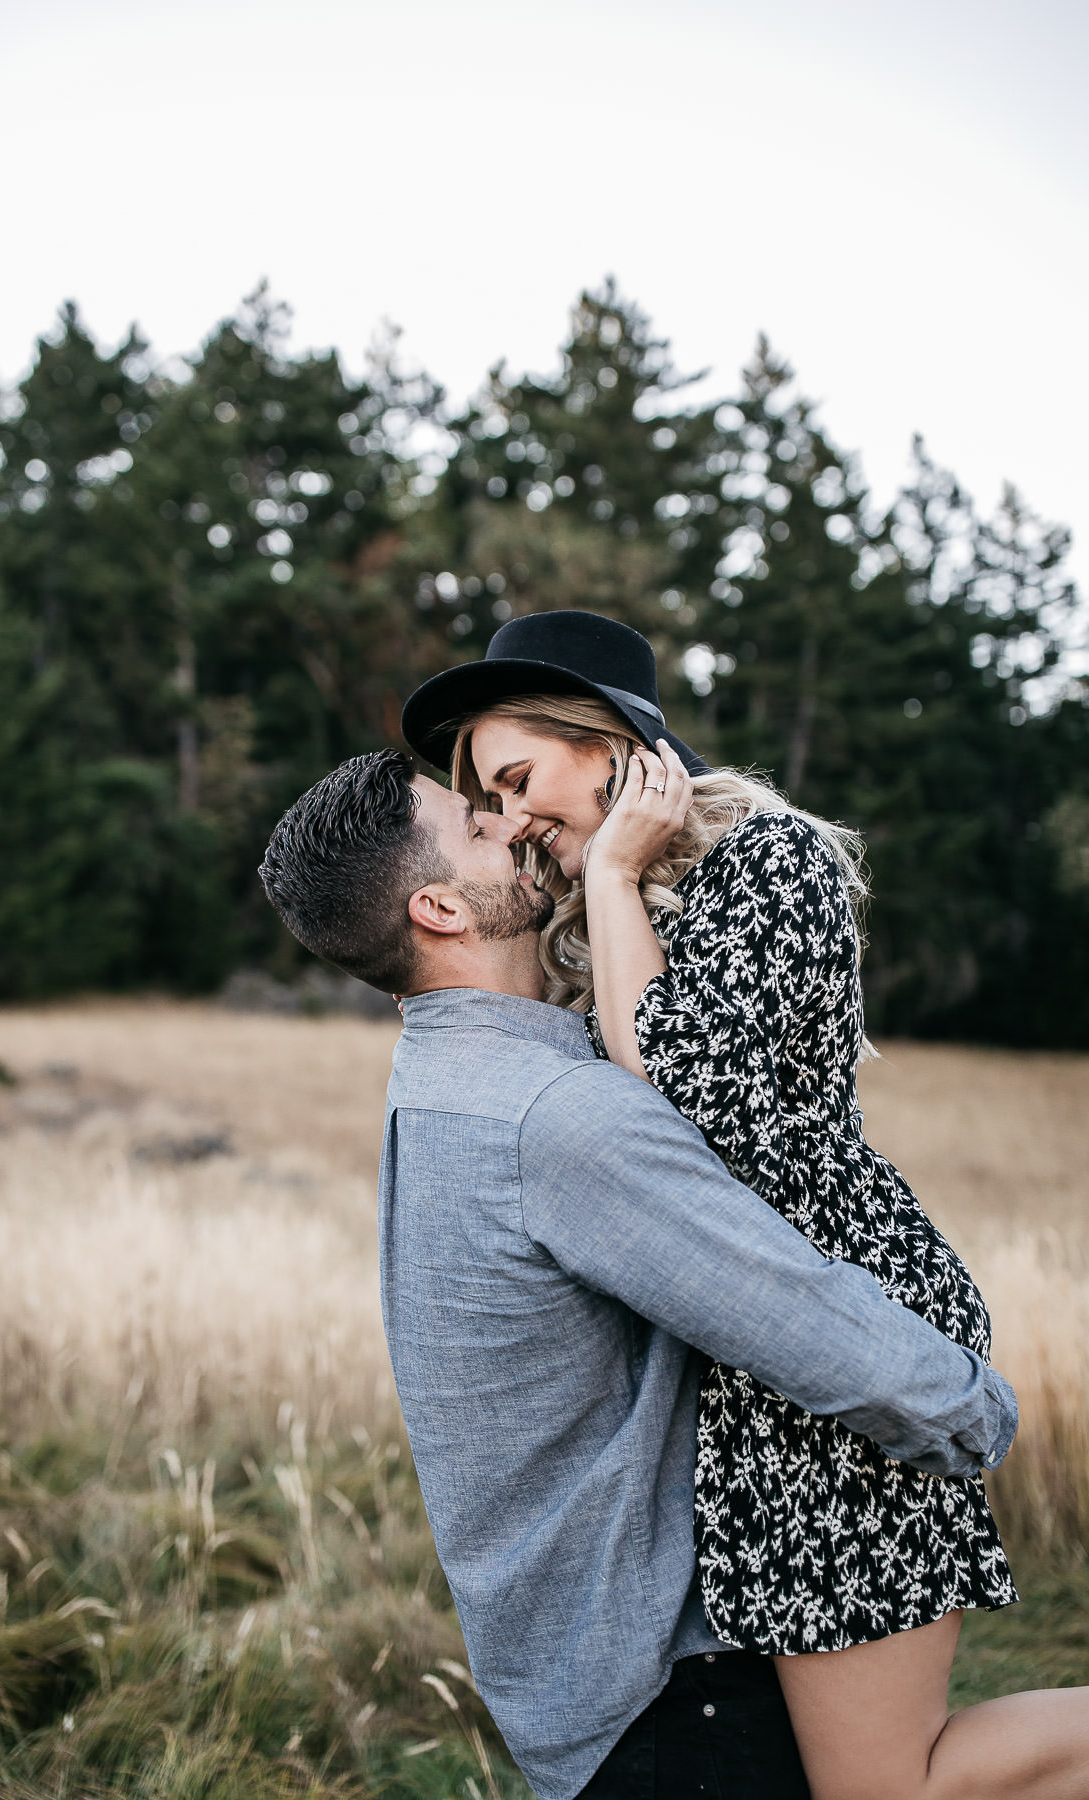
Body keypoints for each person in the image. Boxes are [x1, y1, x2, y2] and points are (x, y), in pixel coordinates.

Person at [401, 608, 1089, 1800]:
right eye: (488, 806)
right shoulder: (604, 907)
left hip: (837, 1316)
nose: (512, 823)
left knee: (889, 1788)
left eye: (518, 780)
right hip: (752, 1366)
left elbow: (679, 1096)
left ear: (609, 739)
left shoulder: (770, 863)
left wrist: (611, 870)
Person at [259, 746, 1021, 1800]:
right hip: (669, 1702)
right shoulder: (554, 1117)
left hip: (572, 1694)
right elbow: (789, 1308)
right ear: (438, 907)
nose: (514, 825)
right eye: (481, 827)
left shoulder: (440, 1079)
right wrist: (977, 1411)